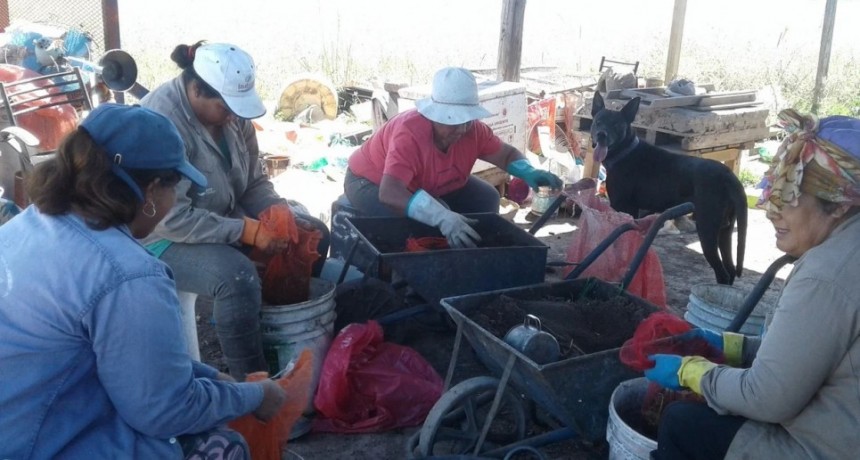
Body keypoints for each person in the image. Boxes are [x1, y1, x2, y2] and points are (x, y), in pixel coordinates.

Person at [0, 104, 291, 458]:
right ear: (152, 191)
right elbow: (166, 411)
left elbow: (124, 352)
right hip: (32, 444)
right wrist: (255, 396)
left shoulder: (28, 224)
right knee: (221, 446)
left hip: (22, 419)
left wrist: (210, 377)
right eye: (175, 189)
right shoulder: (128, 274)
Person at [644, 109, 860, 459]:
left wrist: (692, 373)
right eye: (773, 193)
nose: (771, 211)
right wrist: (736, 348)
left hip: (826, 448)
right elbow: (809, 352)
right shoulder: (847, 244)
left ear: (837, 206)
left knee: (682, 423)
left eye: (789, 197)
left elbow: (766, 397)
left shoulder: (825, 276)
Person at [140, 41, 330, 379]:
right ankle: (253, 386)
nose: (233, 116)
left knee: (311, 232)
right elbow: (170, 218)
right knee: (236, 277)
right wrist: (247, 231)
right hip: (155, 236)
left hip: (220, 216)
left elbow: (253, 181)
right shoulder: (163, 121)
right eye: (226, 107)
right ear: (196, 90)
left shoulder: (234, 118)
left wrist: (275, 211)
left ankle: (278, 334)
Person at [344, 66, 562, 248]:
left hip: (423, 183)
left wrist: (528, 171)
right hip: (369, 182)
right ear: (434, 115)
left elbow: (506, 155)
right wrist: (440, 216)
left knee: (487, 198)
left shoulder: (473, 131)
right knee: (425, 223)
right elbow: (390, 193)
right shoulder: (409, 133)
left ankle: (472, 257)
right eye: (453, 121)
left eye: (466, 120)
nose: (461, 129)